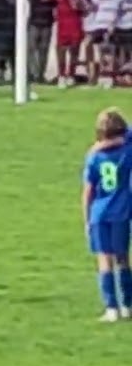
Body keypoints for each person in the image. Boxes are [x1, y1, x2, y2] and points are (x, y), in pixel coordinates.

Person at [84, 108, 132, 322]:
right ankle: (128, 305)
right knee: (123, 258)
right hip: (121, 212)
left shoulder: (94, 157)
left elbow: (88, 191)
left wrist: (86, 219)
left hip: (99, 214)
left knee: (104, 259)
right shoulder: (127, 152)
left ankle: (111, 308)